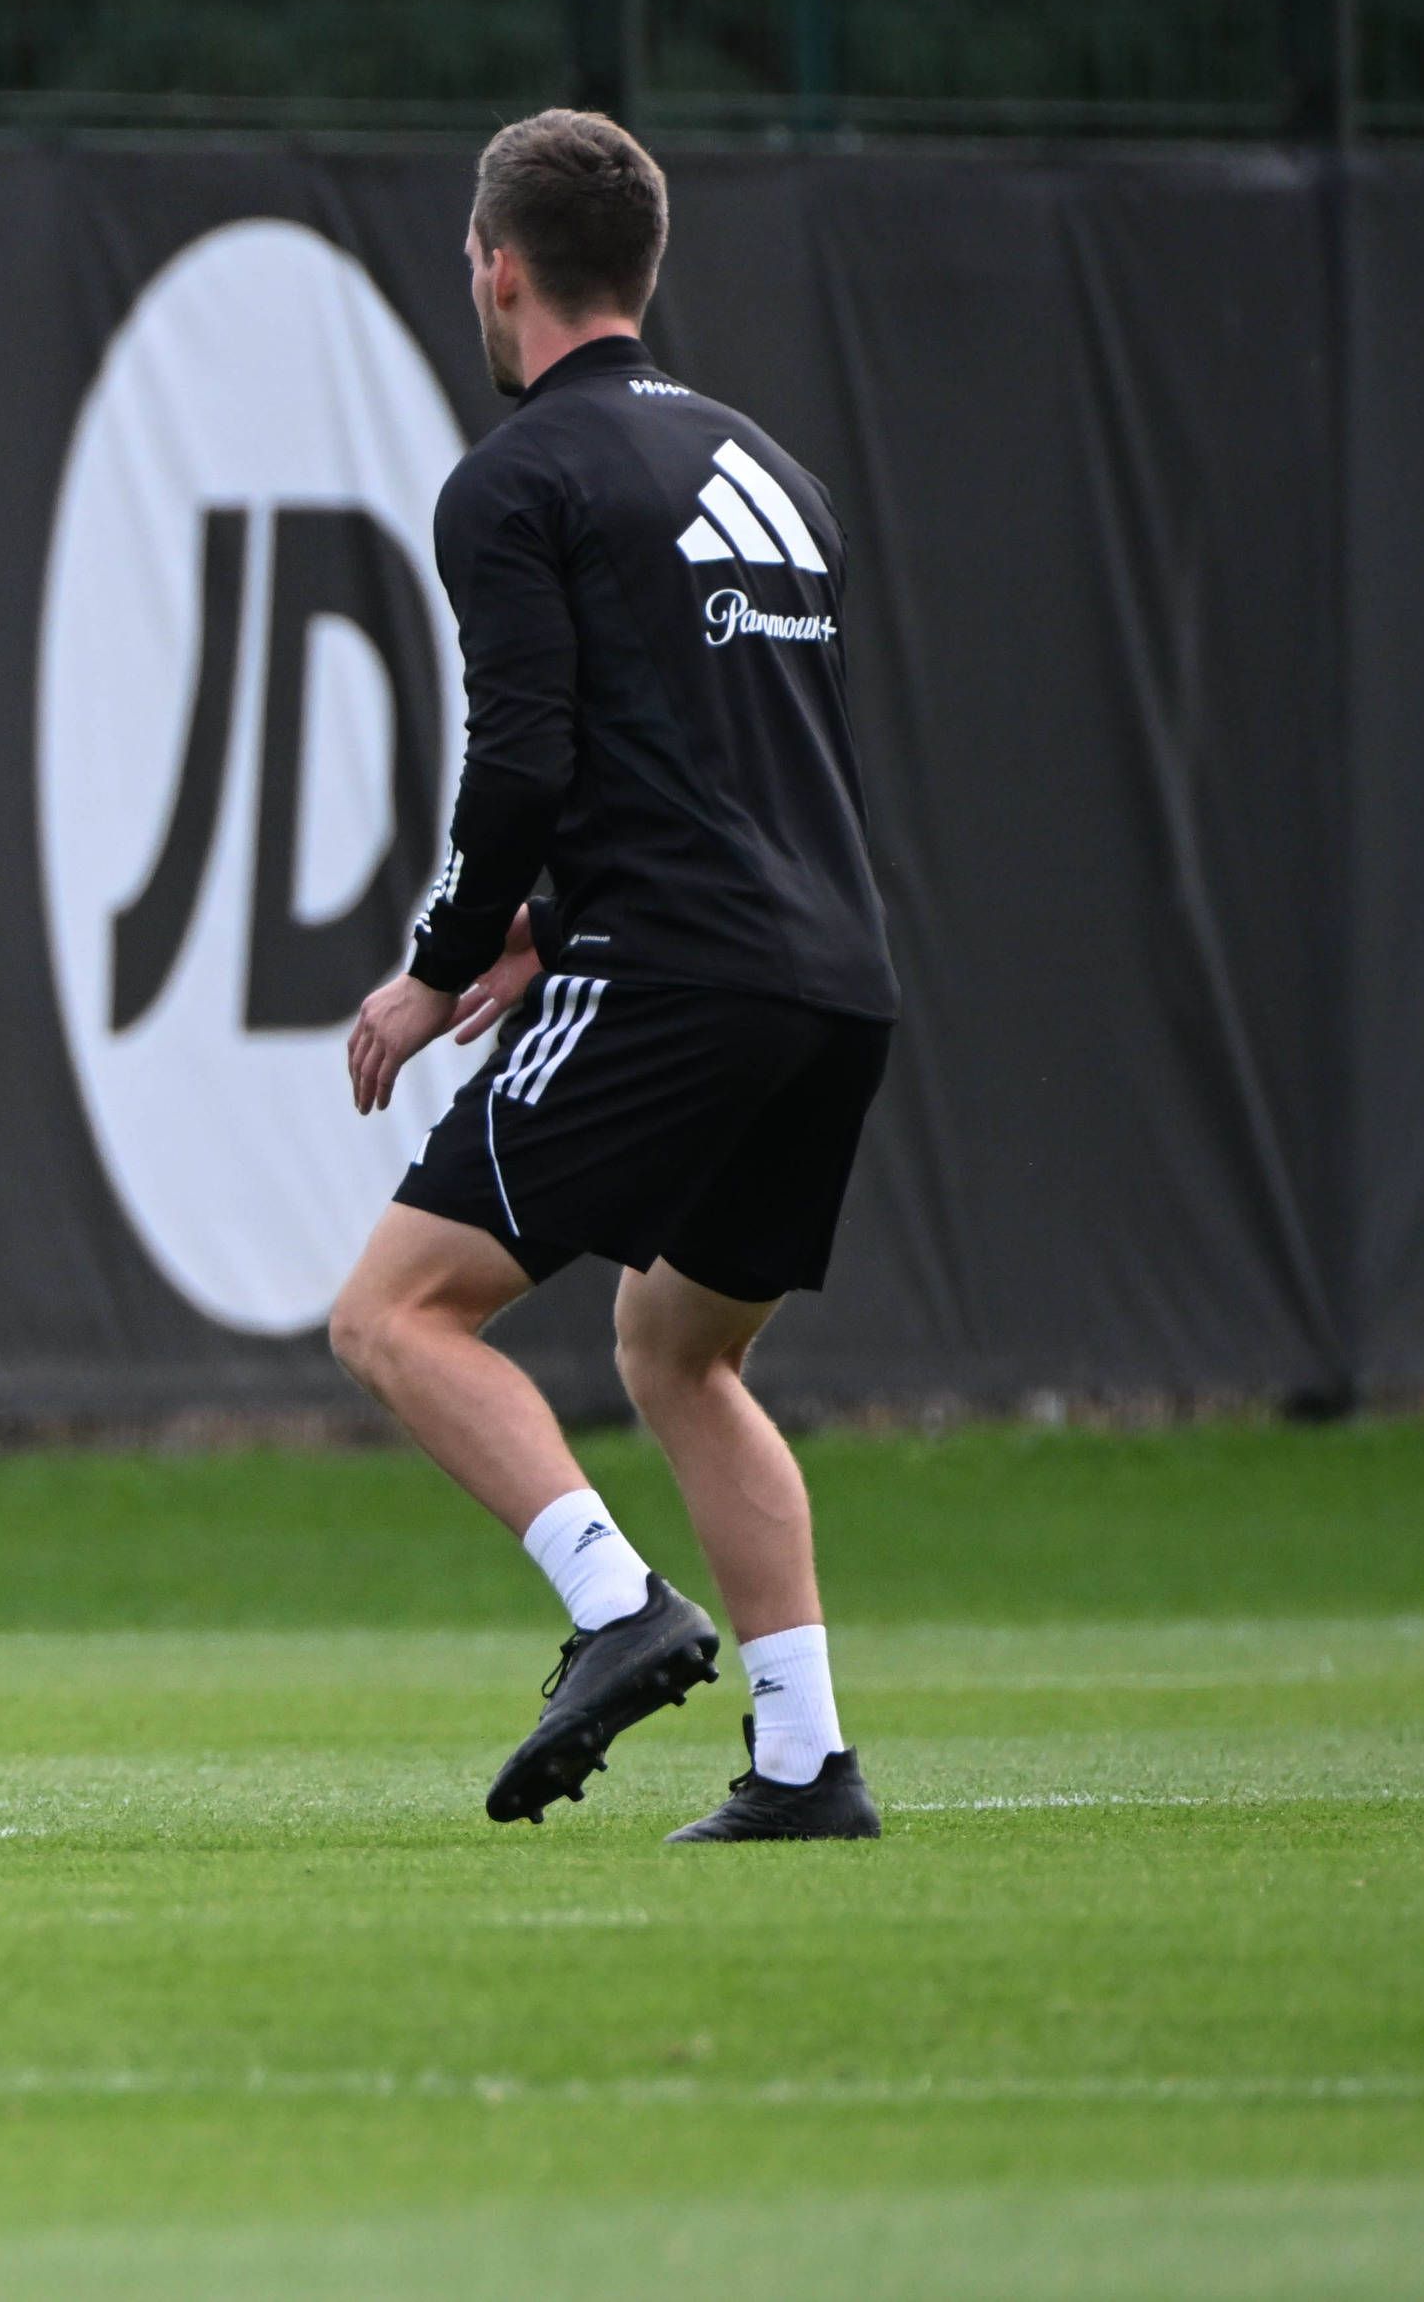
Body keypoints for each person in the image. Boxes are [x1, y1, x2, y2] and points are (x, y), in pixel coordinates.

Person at [329, 109, 898, 1844]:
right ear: (643, 268)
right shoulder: (773, 474)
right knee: (677, 1350)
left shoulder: (516, 478)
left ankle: (613, 1603)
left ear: (496, 268)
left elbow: (520, 763)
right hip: (832, 979)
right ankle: (803, 1760)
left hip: (676, 970)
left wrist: (439, 964)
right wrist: (547, 922)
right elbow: (721, 763)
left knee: (396, 1314)